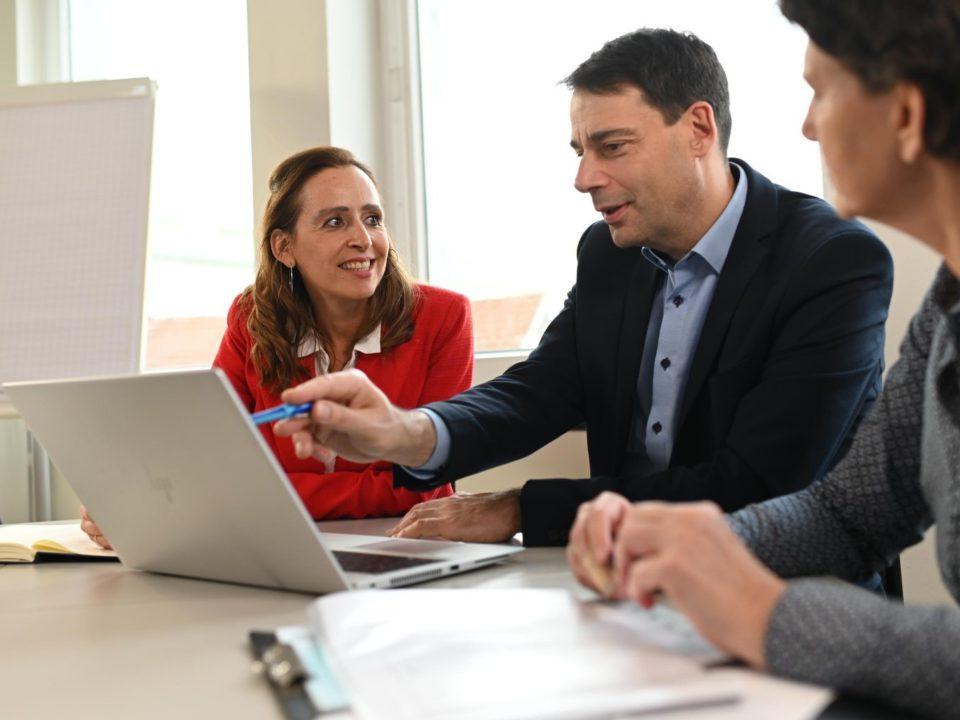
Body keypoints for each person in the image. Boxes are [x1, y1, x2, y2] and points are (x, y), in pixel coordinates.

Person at [273, 30, 893, 549]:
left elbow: (755, 485)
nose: (583, 178)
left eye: (612, 147)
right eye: (580, 151)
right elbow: (538, 390)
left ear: (699, 128)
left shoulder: (832, 263)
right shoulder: (610, 254)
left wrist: (523, 508)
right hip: (628, 590)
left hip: (785, 603)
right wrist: (407, 432)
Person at [566, 1, 960, 717]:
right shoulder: (947, 308)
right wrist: (682, 541)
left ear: (905, 114)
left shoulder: (831, 263)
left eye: (820, 90)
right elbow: (849, 516)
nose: (808, 124)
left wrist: (767, 616)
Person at [80, 146, 473, 549]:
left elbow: (422, 486)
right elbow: (208, 454)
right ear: (284, 248)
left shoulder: (443, 317)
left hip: (404, 549)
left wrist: (250, 496)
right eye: (335, 222)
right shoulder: (251, 317)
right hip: (276, 548)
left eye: (373, 219)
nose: (363, 239)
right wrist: (136, 504)